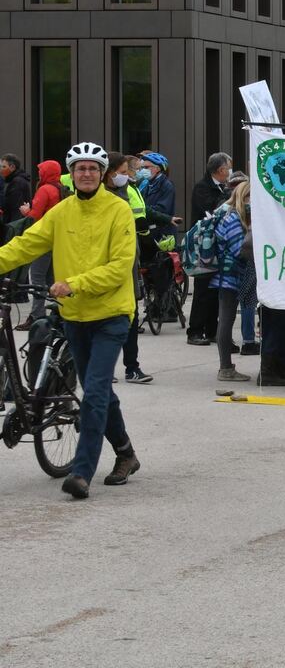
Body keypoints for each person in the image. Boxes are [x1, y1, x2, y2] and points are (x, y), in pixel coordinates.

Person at [0, 142, 139, 499]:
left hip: (111, 315)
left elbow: (119, 266)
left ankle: (81, 472)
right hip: (74, 315)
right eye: (80, 168)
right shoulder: (61, 211)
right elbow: (26, 244)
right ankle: (125, 452)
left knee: (92, 391)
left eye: (93, 168)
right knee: (100, 391)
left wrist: (75, 284)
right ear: (71, 173)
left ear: (103, 173)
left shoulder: (118, 210)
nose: (87, 174)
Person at [105, 153, 180, 384]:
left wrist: (165, 220)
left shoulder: (131, 188)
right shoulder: (104, 197)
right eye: (125, 171)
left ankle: (131, 367)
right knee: (109, 319)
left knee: (131, 314)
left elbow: (143, 213)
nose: (130, 175)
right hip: (109, 265)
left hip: (130, 260)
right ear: (110, 173)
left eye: (130, 170)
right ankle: (108, 368)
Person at [186, 152, 232, 346]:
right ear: (220, 170)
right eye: (228, 168)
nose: (230, 172)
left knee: (216, 290)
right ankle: (195, 331)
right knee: (203, 289)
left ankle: (212, 331)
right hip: (203, 245)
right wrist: (227, 196)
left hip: (219, 244)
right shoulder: (203, 188)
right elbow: (210, 211)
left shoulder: (223, 187)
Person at [16, 160, 67, 329]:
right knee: (52, 278)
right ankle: (59, 313)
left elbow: (34, 216)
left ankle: (37, 316)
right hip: (57, 240)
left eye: (40, 171)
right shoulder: (61, 188)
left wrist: (26, 211)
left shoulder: (45, 189)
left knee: (37, 279)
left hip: (43, 240)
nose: (38, 174)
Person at [213, 181, 252, 382]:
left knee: (226, 320)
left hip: (229, 276)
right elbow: (239, 250)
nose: (251, 202)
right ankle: (225, 368)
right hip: (229, 277)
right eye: (249, 198)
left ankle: (225, 366)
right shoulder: (233, 219)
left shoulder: (232, 216)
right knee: (226, 321)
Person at [1, 155, 33, 227]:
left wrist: (11, 230)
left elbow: (16, 209)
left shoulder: (17, 183)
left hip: (14, 226)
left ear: (12, 167)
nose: (1, 169)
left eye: (3, 167)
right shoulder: (16, 181)